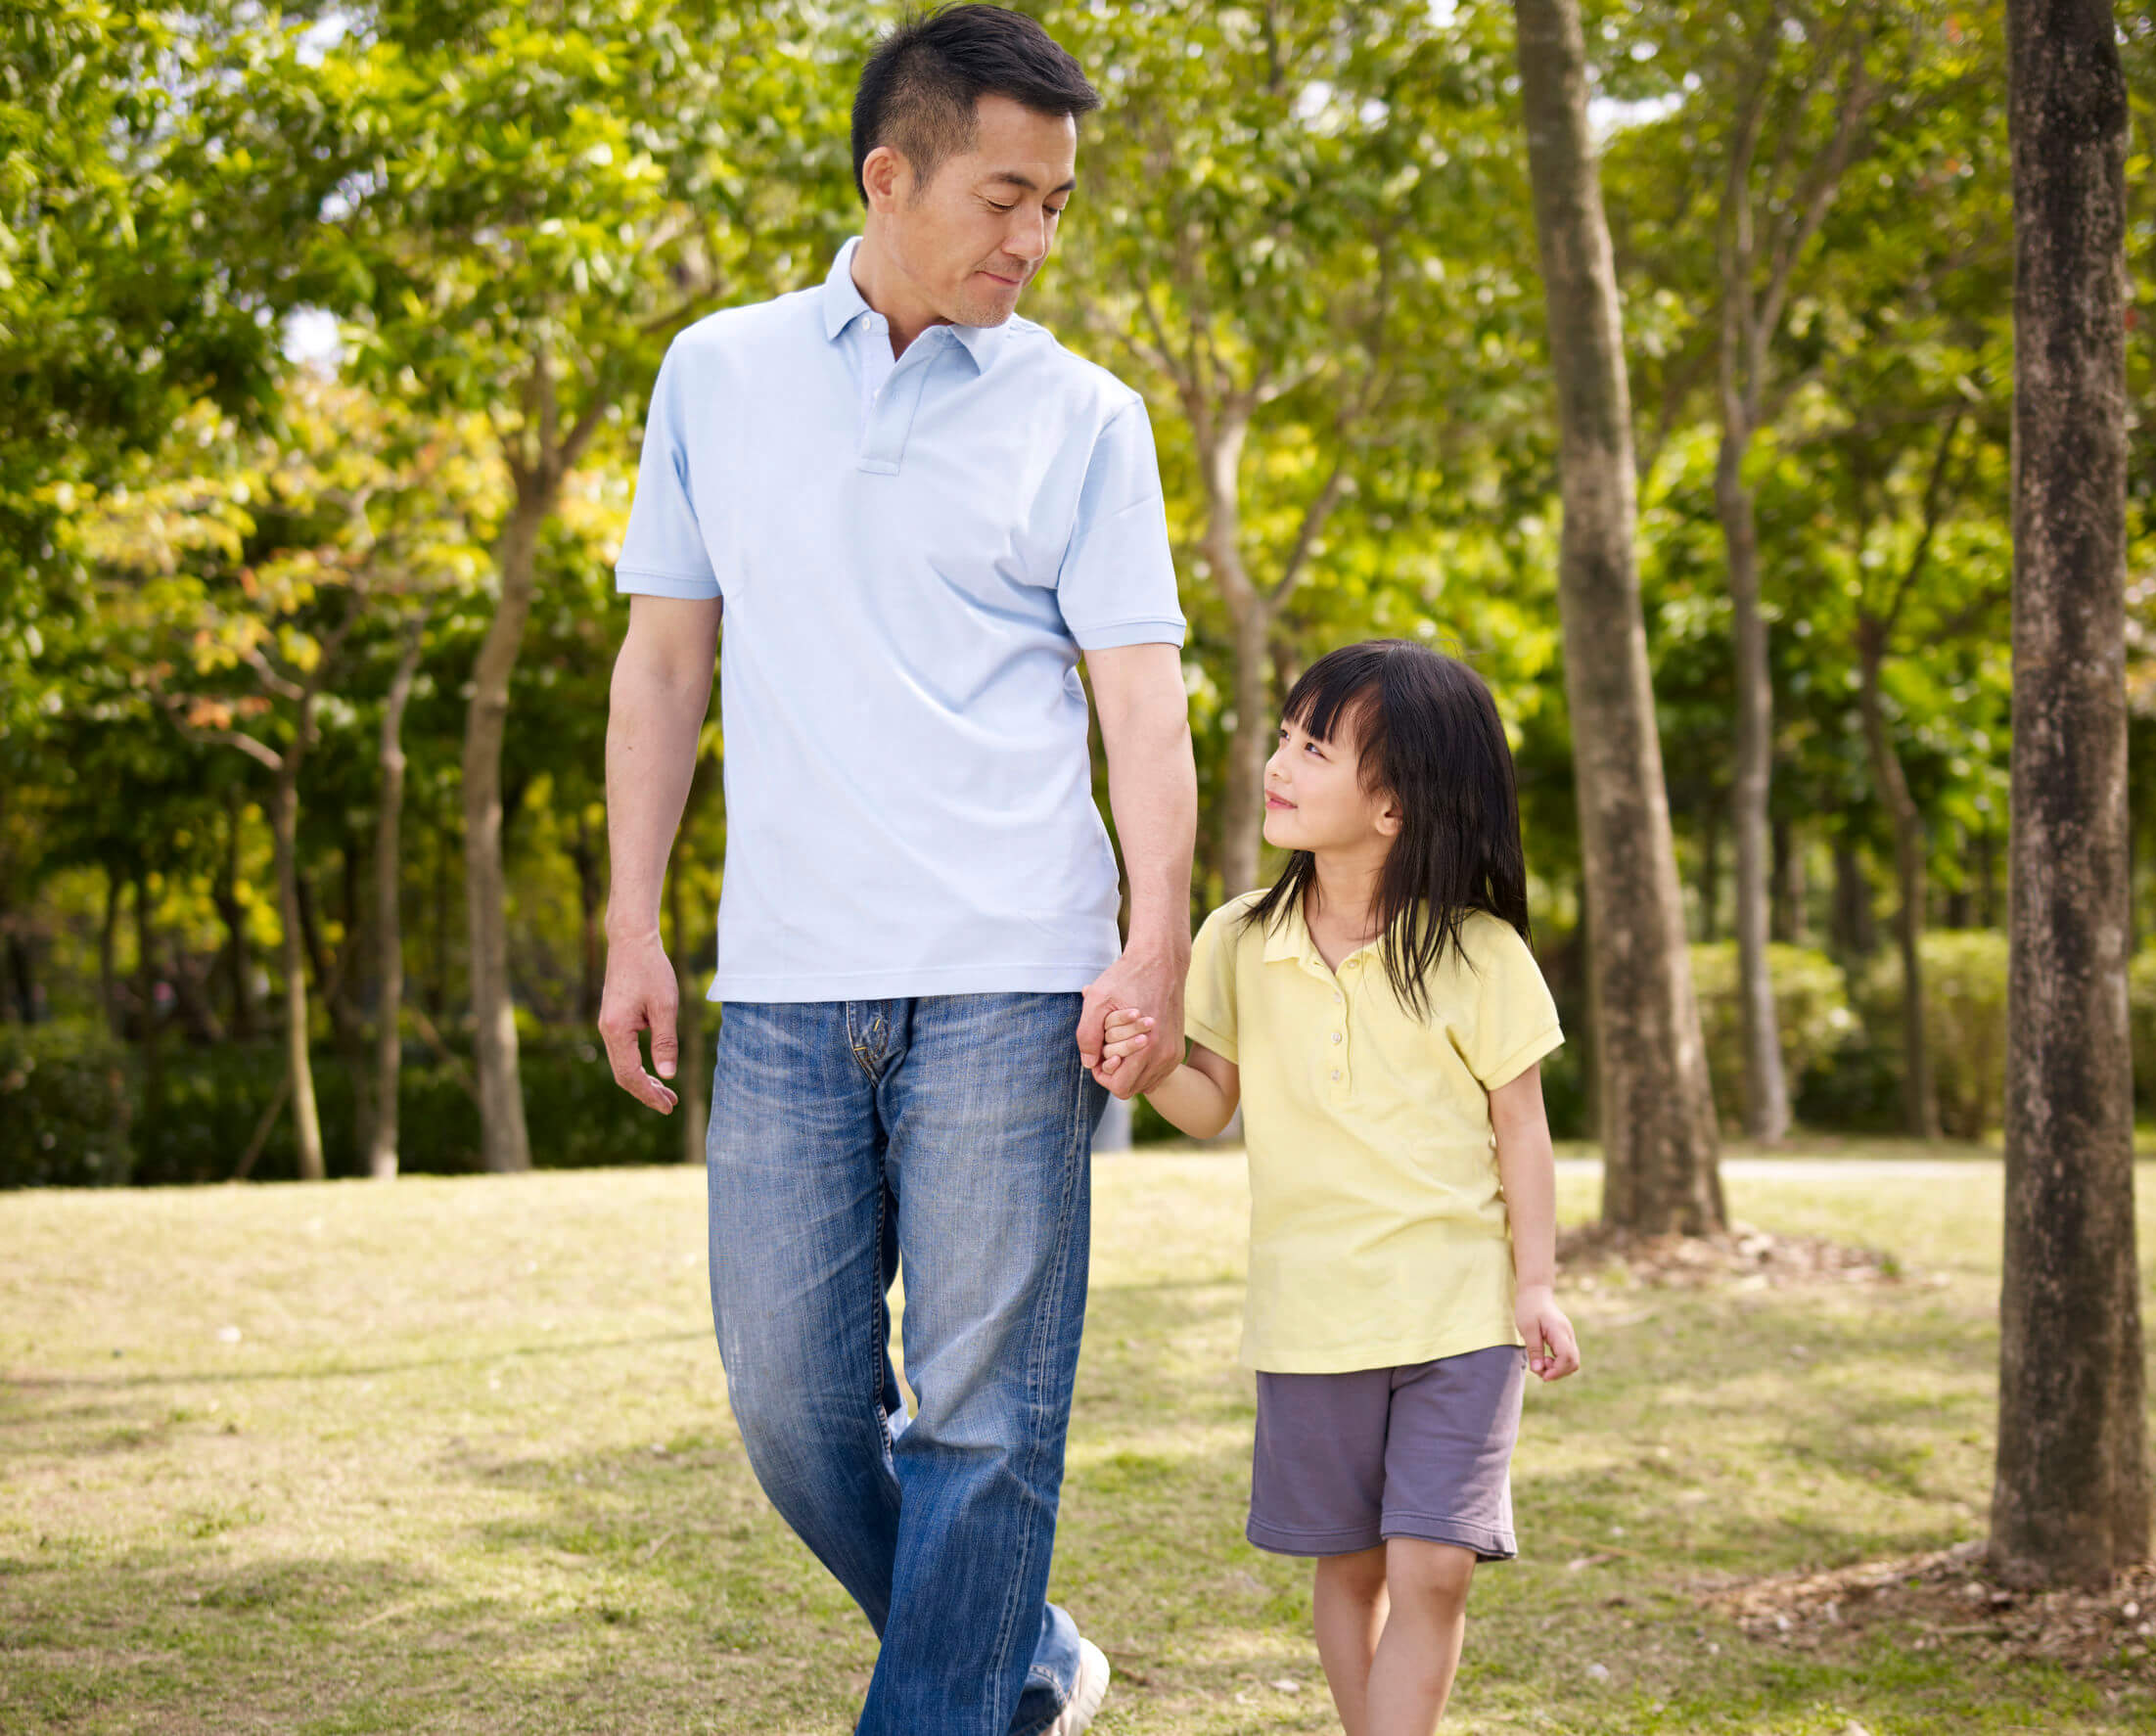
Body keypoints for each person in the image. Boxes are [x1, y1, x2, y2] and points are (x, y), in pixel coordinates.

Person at [598, 7, 1196, 1735]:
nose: (1035, 238)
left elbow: (1142, 703)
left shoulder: (1087, 416)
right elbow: (663, 664)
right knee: (791, 1402)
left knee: (985, 1417)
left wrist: (1155, 939)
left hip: (1017, 967)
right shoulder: (717, 373)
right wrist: (631, 921)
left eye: (1057, 205)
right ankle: (1021, 1650)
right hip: (789, 973)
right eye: (1006, 197)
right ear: (889, 174)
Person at [1096, 639, 1581, 1736]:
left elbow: (1522, 1129)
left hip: (1459, 1316)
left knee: (1434, 1566)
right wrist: (1150, 1067)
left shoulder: (1480, 952)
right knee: (1350, 1567)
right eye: (1284, 737)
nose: (1278, 763)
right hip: (1310, 1317)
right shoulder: (1237, 938)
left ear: (1396, 806)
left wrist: (1536, 1285)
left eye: (1315, 749)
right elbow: (1209, 1105)